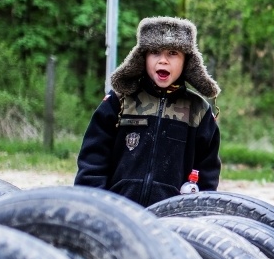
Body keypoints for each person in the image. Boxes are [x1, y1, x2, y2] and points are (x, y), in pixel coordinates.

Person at [75, 16, 221, 207]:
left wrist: (197, 212)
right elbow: (92, 161)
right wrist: (94, 205)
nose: (163, 61)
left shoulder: (199, 111)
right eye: (154, 52)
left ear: (187, 60)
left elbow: (207, 176)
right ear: (142, 57)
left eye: (172, 53)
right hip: (117, 212)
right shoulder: (119, 101)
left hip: (172, 220)